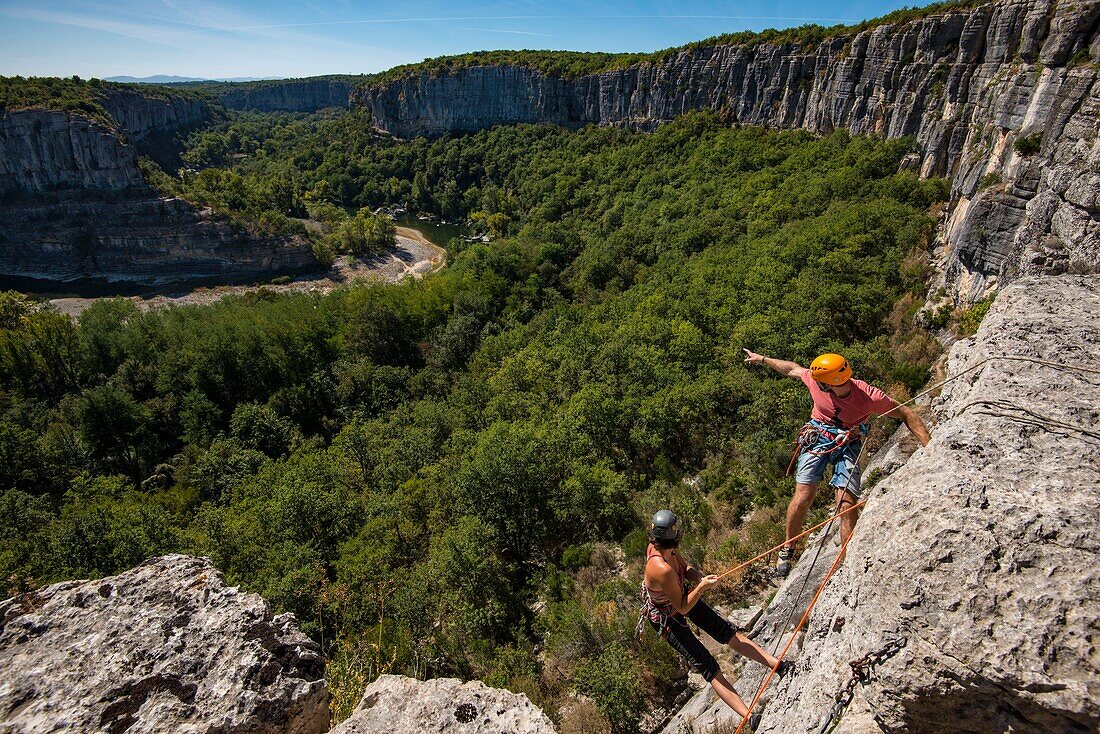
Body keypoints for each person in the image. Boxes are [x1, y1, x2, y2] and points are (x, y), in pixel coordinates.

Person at [742, 350, 931, 577]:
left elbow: (905, 412)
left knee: (846, 503)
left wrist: (930, 448)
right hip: (818, 436)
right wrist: (762, 359)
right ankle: (788, 547)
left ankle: (846, 561)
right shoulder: (816, 380)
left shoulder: (869, 397)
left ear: (828, 383)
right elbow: (792, 368)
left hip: (848, 441)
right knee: (804, 497)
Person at [641, 510, 788, 727]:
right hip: (668, 619)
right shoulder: (659, 567)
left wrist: (698, 576)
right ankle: (749, 718)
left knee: (728, 634)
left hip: (681, 597)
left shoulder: (668, 550)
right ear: (669, 536)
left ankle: (779, 666)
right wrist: (700, 588)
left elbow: (685, 568)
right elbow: (682, 608)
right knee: (709, 666)